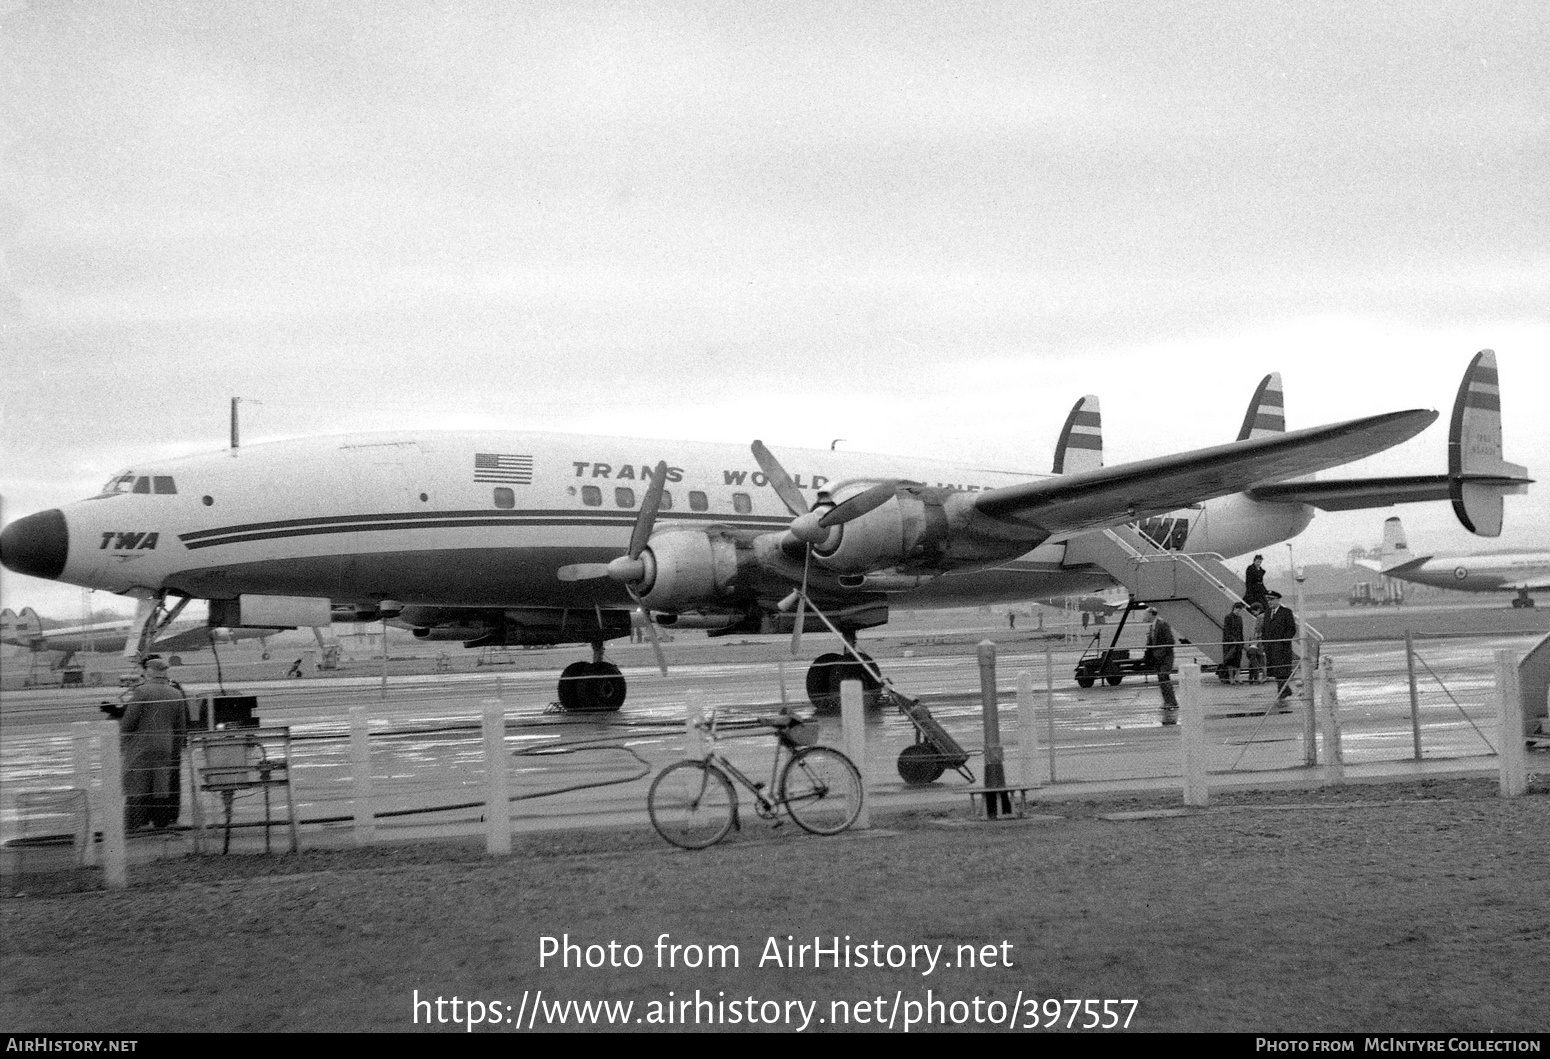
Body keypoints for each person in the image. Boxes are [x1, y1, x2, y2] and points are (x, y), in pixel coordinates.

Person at [119, 656, 189, 830]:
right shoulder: (176, 693)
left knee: (137, 786)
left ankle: (134, 825)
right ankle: (161, 824)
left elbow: (128, 722)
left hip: (141, 747)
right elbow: (181, 727)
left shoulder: (142, 692)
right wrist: (176, 750)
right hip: (165, 748)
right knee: (161, 787)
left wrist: (123, 742)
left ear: (148, 672)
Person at [1261, 590, 1299, 703]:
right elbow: (1265, 628)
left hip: (1282, 646)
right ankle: (1284, 690)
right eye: (1268, 600)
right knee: (1276, 670)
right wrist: (1264, 642)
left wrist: (1284, 640)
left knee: (1282, 669)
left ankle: (1282, 691)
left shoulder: (1286, 612)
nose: (1269, 602)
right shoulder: (1267, 612)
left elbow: (1291, 628)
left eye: (1271, 599)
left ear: (1278, 600)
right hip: (1270, 646)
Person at [1143, 607, 1178, 723]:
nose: (1144, 617)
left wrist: (1158, 652)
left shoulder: (1162, 625)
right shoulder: (1152, 626)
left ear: (1150, 614)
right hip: (1157, 658)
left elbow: (1170, 641)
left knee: (1164, 677)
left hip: (1165, 657)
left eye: (1145, 614)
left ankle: (1172, 702)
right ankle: (1168, 701)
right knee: (1162, 678)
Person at [1221, 601, 1246, 684]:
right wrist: (1232, 640)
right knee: (1230, 660)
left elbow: (1240, 631)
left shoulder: (1240, 618)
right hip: (1230, 643)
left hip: (1238, 642)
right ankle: (1231, 677)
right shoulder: (1228, 617)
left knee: (1238, 660)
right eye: (1238, 610)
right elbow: (1227, 630)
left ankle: (1237, 676)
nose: (1239, 612)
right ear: (1234, 609)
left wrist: (1242, 641)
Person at [1244, 604, 1267, 684]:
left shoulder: (1260, 617)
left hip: (1259, 640)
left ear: (1258, 609)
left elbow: (1257, 629)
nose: (1253, 613)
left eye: (1253, 611)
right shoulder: (1267, 615)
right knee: (1263, 658)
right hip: (1265, 639)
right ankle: (1264, 676)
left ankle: (1262, 677)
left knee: (1259, 659)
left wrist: (1253, 639)